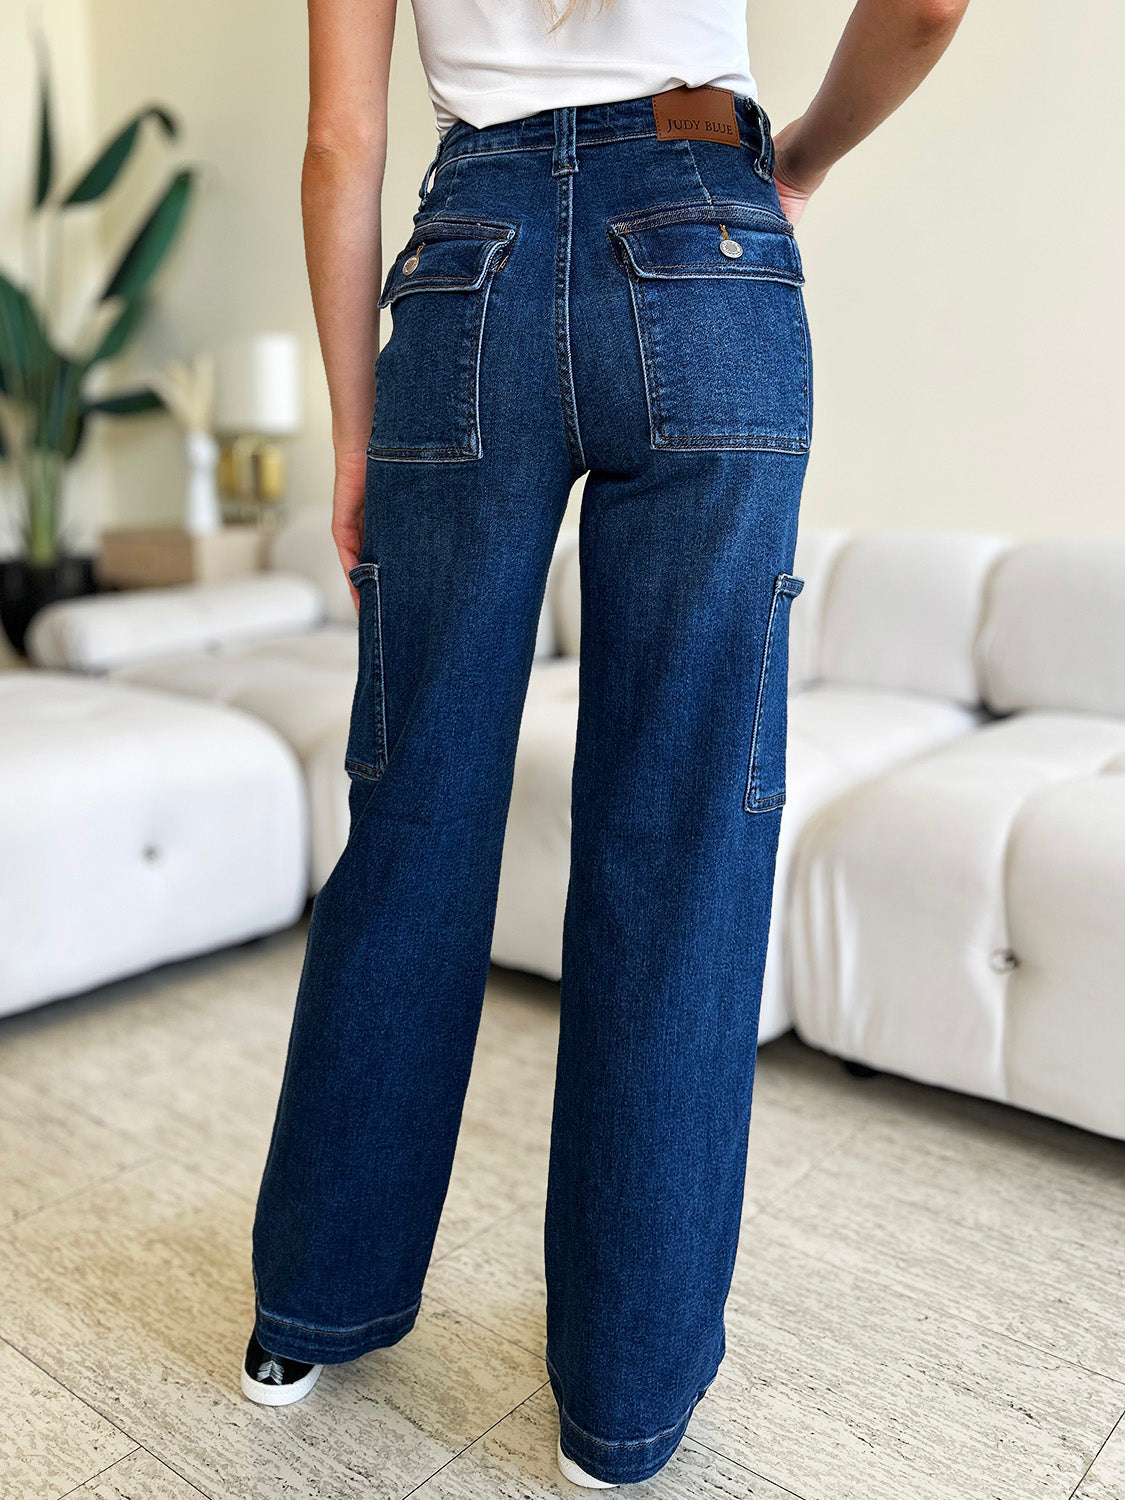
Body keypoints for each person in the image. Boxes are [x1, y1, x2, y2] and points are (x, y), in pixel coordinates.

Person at [241, 0, 970, 1486]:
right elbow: (927, 6)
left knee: (414, 813)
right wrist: (805, 161)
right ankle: (619, 1412)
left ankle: (308, 1313)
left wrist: (352, 428)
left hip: (468, 272)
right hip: (705, 232)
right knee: (681, 838)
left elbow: (339, 141)